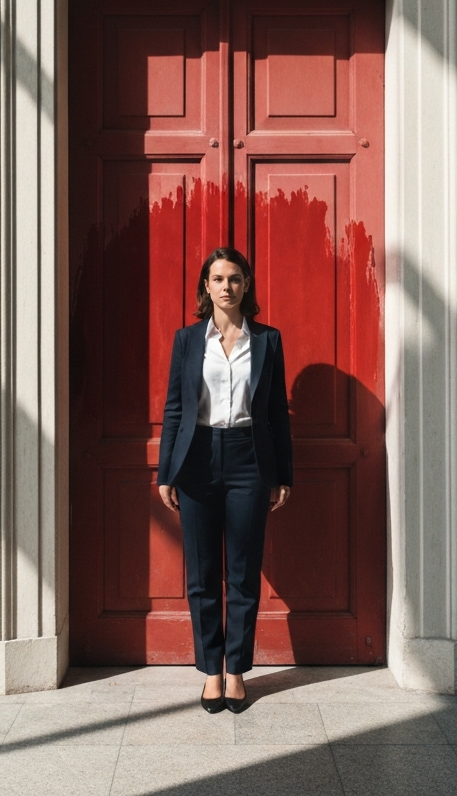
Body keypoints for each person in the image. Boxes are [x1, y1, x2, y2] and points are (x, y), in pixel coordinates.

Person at [158, 247, 293, 713]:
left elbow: (277, 413)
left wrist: (282, 474)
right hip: (196, 456)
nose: (226, 287)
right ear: (206, 287)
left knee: (241, 571)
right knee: (202, 573)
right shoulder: (188, 340)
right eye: (217, 279)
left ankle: (236, 672)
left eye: (234, 278)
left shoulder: (269, 340)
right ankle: (210, 671)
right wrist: (166, 472)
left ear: (246, 284)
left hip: (248, 459)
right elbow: (175, 407)